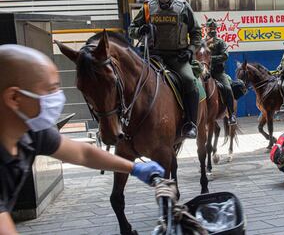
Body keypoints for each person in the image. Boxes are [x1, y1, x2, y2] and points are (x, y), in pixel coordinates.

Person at [0, 44, 165, 234]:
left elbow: (83, 153)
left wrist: (135, 168)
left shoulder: (30, 132)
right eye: (50, 90)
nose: (57, 97)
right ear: (14, 98)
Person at [128, 0, 202, 139]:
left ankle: (190, 124)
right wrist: (140, 30)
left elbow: (196, 33)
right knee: (133, 82)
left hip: (178, 57)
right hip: (153, 57)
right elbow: (131, 28)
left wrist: (191, 50)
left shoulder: (183, 7)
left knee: (190, 82)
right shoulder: (147, 8)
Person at [205, 18, 237, 125]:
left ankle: (231, 115)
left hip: (218, 73)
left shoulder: (220, 42)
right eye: (210, 28)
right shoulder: (202, 43)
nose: (212, 30)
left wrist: (211, 59)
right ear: (206, 29)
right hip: (204, 73)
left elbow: (225, 56)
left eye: (214, 28)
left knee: (227, 89)